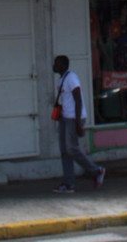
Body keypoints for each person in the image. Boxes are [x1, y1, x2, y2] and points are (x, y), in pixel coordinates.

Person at [51, 55, 105, 194]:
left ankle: (96, 170)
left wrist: (78, 122)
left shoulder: (71, 78)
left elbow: (78, 99)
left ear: (63, 65)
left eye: (56, 64)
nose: (54, 66)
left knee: (71, 148)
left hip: (73, 118)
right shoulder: (62, 78)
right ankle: (69, 183)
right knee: (64, 151)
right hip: (65, 117)